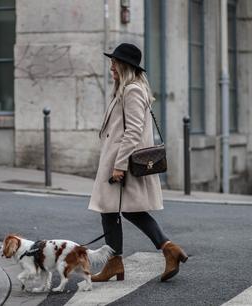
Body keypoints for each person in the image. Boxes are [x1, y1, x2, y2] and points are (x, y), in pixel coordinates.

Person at [88, 43, 188, 282]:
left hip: (122, 162)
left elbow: (132, 132)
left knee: (112, 209)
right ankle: (123, 261)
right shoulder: (126, 89)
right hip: (118, 159)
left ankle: (163, 250)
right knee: (117, 211)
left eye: (115, 62)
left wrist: (119, 165)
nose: (111, 66)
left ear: (125, 66)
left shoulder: (132, 90)